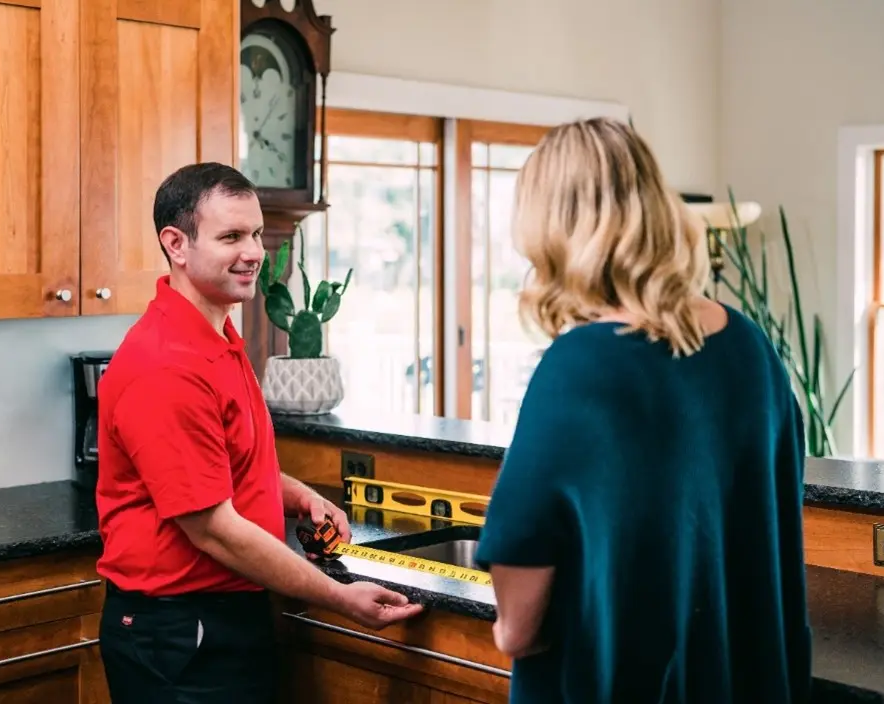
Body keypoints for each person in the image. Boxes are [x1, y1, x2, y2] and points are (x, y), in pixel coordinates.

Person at [474, 118, 811, 704]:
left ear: (552, 230)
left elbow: (520, 623)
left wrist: (506, 628)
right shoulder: (750, 348)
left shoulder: (578, 366)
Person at [94, 162, 423, 704]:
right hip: (178, 632)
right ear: (176, 244)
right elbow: (214, 528)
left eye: (254, 233)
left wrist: (296, 495)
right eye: (230, 236)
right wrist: (340, 599)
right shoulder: (166, 363)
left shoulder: (218, 334)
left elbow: (229, 460)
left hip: (223, 613)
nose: (252, 252)